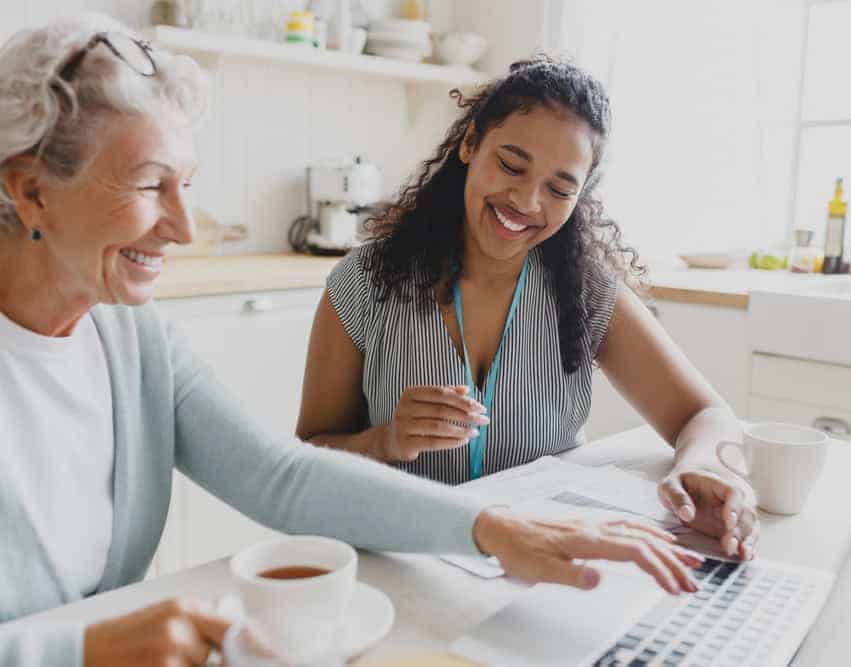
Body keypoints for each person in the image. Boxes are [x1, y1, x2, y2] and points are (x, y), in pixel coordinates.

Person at [0, 16, 700, 667]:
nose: (184, 227)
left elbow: (279, 473)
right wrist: (76, 650)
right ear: (30, 187)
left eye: (188, 184)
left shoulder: (129, 334)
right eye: (151, 186)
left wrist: (492, 529)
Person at [297, 56, 759, 562]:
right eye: (511, 165)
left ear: (581, 195)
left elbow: (707, 414)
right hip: (401, 562)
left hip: (538, 570)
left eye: (560, 188)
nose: (526, 200)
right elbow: (307, 459)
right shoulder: (365, 282)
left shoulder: (585, 292)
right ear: (470, 144)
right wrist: (384, 442)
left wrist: (705, 467)